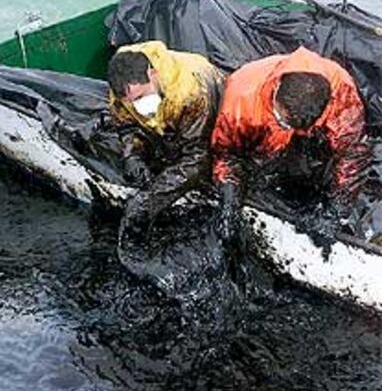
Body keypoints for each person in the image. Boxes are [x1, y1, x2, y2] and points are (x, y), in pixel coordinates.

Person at [211, 46, 371, 247]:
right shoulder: (242, 96)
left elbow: (353, 154)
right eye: (282, 120)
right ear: (277, 88)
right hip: (263, 139)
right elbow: (226, 154)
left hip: (311, 143)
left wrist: (335, 212)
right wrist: (229, 200)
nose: (284, 126)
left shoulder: (341, 90)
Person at [107, 40, 224, 269]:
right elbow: (126, 124)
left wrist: (149, 200)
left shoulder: (191, 93)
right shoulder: (122, 86)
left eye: (141, 97)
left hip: (209, 115)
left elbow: (197, 158)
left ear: (153, 74)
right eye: (131, 101)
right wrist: (133, 154)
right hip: (167, 120)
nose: (137, 105)